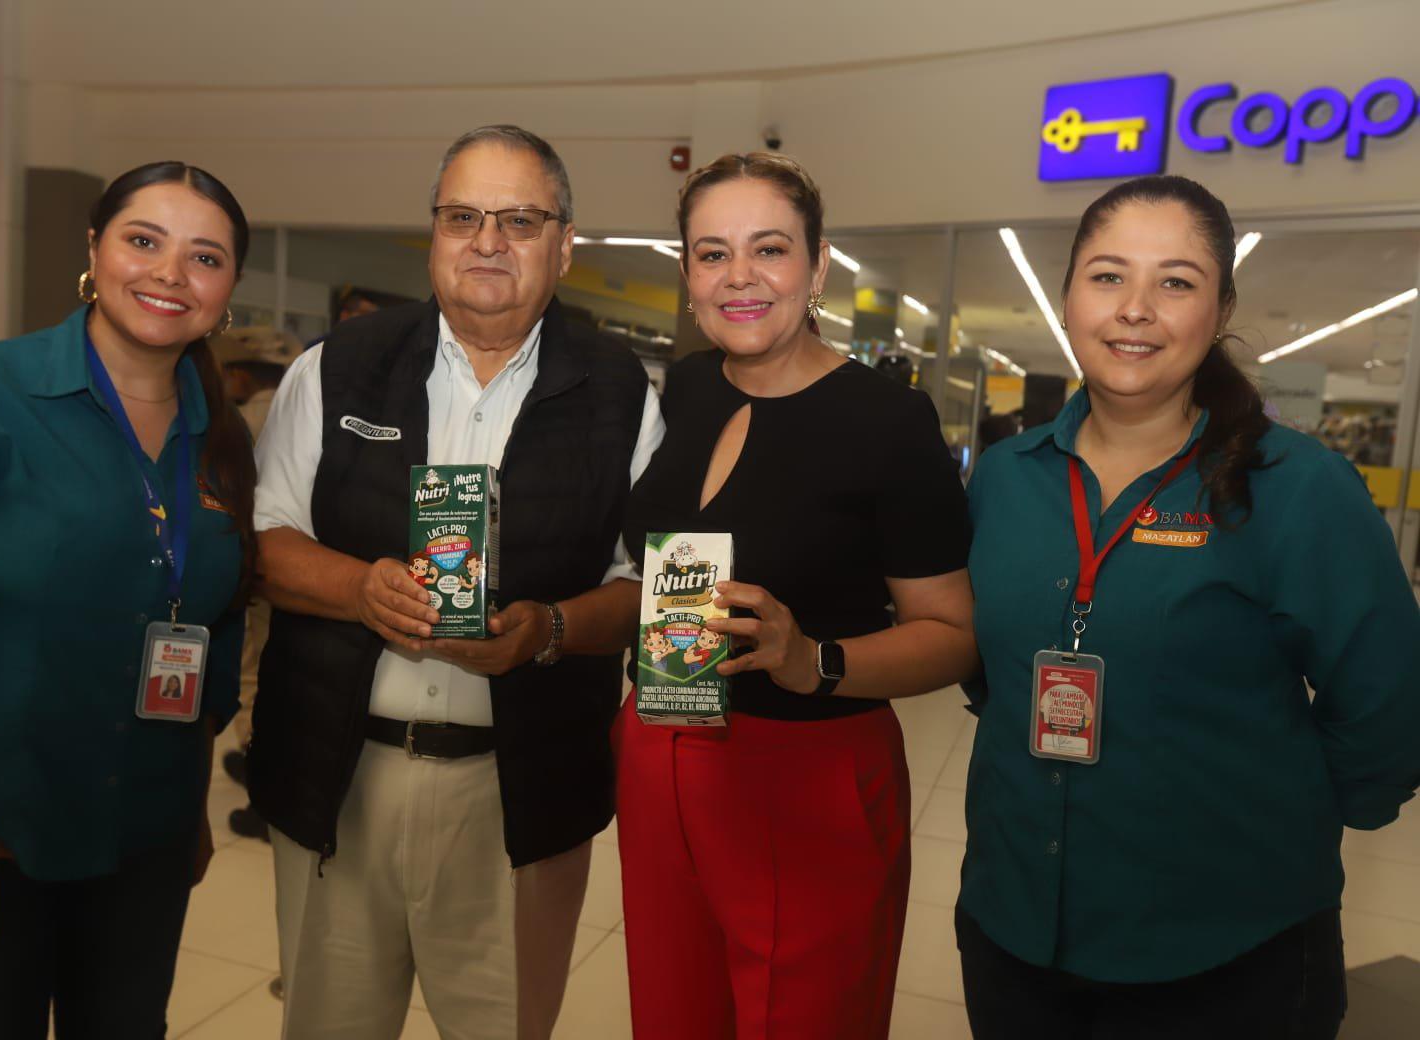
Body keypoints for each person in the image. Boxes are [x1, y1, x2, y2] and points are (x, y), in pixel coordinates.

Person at [958, 174, 1420, 1039]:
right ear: (1067, 297)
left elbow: (1387, 705)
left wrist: (1283, 831)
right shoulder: (1007, 480)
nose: (1136, 308)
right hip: (1014, 927)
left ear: (1221, 310)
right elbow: (994, 672)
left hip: (1224, 952)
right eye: (1107, 275)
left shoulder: (1296, 488)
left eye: (1175, 282)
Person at [248, 124, 663, 1040]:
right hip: (338, 775)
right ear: (432, 232)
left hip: (517, 798)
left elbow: (650, 588)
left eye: (520, 219)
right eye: (463, 216)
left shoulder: (622, 394)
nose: (487, 241)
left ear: (564, 244)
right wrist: (361, 588)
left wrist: (546, 630)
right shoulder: (336, 369)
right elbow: (266, 542)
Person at [0, 160, 254, 1039]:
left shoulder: (219, 437)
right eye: (143, 241)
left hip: (142, 841)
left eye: (205, 258)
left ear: (228, 290)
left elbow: (210, 639)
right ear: (94, 250)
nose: (168, 274)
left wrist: (187, 811)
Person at [615, 152, 978, 1039]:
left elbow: (954, 633)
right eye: (711, 253)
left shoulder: (888, 423)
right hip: (661, 746)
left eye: (768, 249)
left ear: (816, 268)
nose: (739, 277)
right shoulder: (689, 386)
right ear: (688, 274)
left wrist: (810, 657)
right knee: (673, 1012)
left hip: (805, 775)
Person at [208, 326, 300, 842]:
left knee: (251, 677)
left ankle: (264, 792)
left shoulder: (241, 422)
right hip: (300, 565)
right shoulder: (304, 409)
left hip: (257, 564)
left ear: (240, 374)